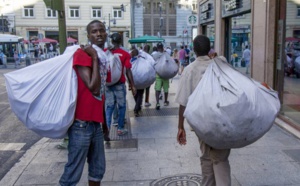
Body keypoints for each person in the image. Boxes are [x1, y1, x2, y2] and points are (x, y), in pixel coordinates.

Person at [176, 35, 231, 186]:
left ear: (193, 50)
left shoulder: (189, 70)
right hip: (223, 120)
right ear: (210, 48)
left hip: (203, 123)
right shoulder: (221, 63)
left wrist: (180, 126)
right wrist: (215, 56)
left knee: (207, 156)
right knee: (221, 158)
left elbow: (183, 102)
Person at [59, 20, 108, 186]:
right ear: (88, 35)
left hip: (95, 124)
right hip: (81, 124)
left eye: (101, 30)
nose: (99, 34)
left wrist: (105, 125)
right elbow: (94, 88)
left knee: (97, 170)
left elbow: (101, 93)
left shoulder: (103, 57)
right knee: (72, 173)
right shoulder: (82, 55)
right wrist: (93, 56)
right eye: (94, 31)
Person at [105, 32, 136, 135]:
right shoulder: (125, 54)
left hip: (108, 84)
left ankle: (107, 128)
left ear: (112, 41)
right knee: (122, 106)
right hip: (119, 84)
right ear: (120, 41)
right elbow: (128, 70)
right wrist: (132, 85)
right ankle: (120, 128)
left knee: (109, 107)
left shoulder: (105, 52)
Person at [152, 42, 170, 110]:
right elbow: (169, 62)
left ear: (157, 48)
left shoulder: (155, 55)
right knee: (166, 89)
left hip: (158, 74)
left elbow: (153, 63)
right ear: (162, 47)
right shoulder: (166, 54)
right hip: (165, 75)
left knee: (157, 89)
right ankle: (165, 101)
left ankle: (157, 103)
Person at [130, 48, 144, 116]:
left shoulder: (131, 60)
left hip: (133, 81)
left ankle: (137, 106)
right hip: (141, 80)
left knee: (135, 94)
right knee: (140, 94)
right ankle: (137, 107)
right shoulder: (141, 60)